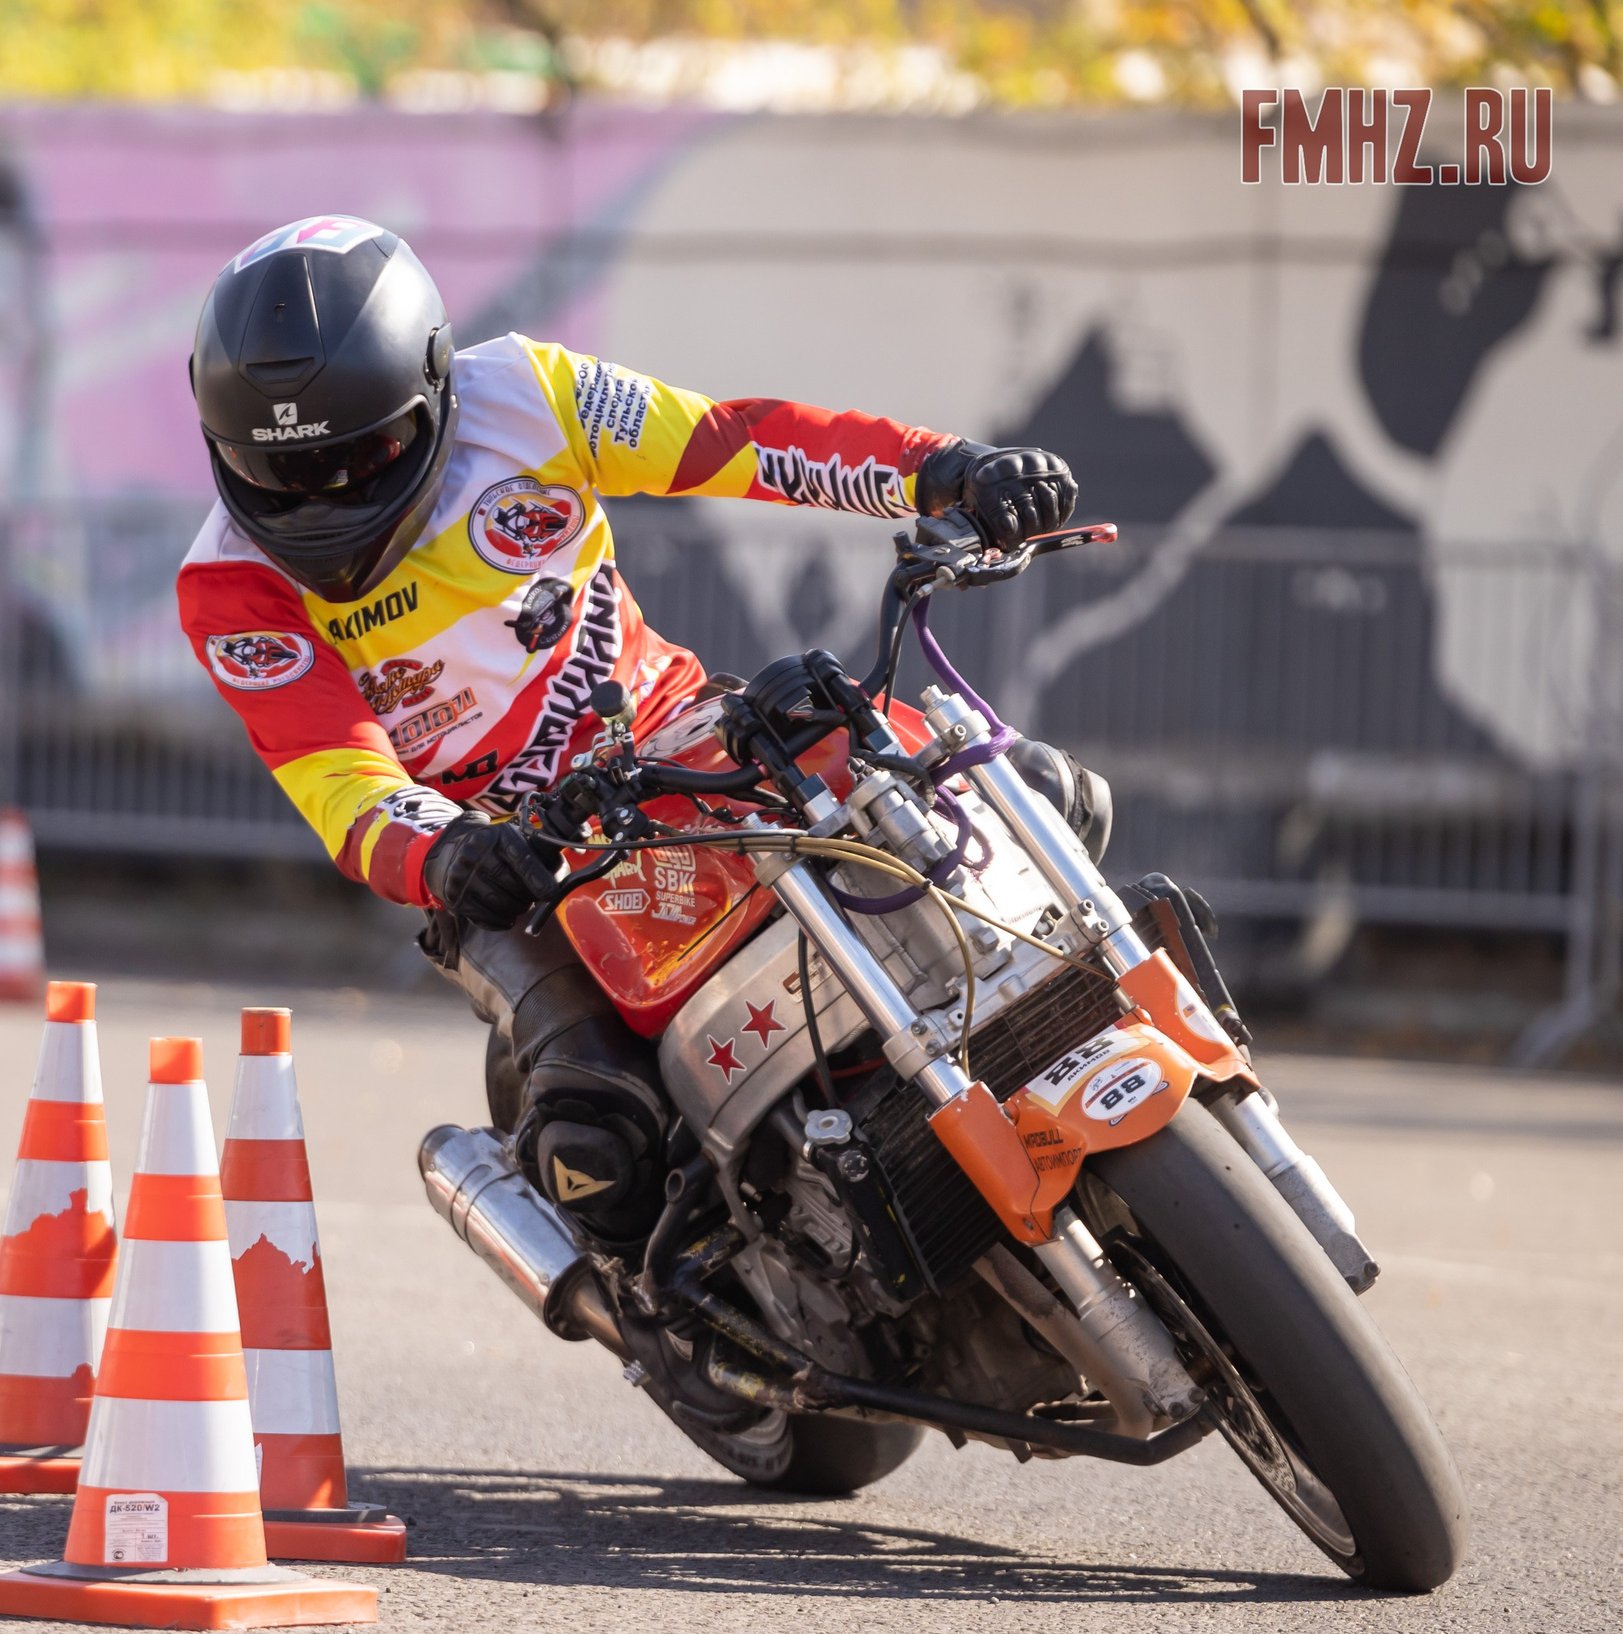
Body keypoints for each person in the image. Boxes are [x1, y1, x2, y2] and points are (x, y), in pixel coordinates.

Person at [178, 215, 1093, 1250]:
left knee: (1031, 794)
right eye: (284, 473)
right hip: (503, 865)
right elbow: (337, 775)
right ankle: (678, 1302)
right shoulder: (226, 586)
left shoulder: (528, 394)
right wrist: (444, 853)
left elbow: (739, 443)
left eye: (365, 453)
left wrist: (943, 470)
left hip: (686, 739)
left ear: (434, 385)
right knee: (597, 1137)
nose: (328, 496)